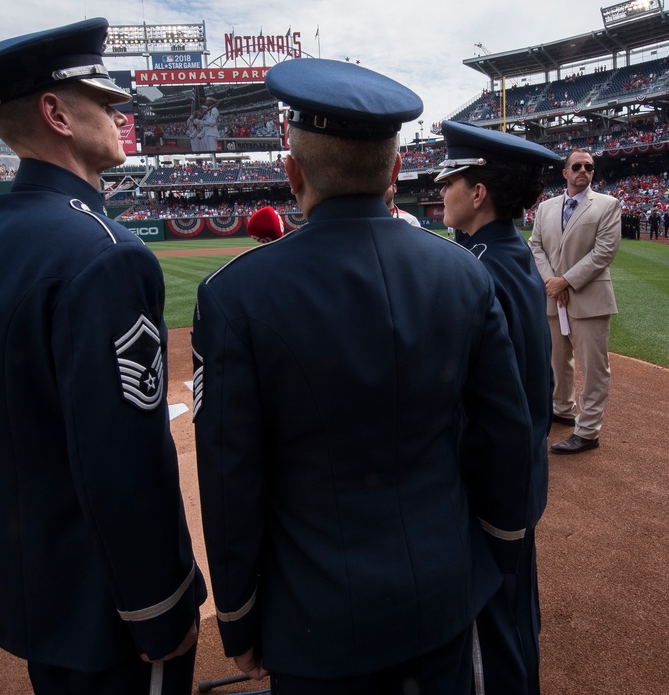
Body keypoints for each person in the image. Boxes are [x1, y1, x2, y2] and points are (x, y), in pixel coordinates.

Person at [191, 58, 532, 694]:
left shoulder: (235, 294)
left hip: (317, 620)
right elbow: (506, 436)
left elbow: (229, 475)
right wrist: (496, 555)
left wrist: (237, 618)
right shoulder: (465, 274)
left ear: (292, 173)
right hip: (447, 593)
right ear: (396, 170)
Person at [0, 19, 207, 695]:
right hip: (108, 614)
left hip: (36, 594)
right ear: (56, 113)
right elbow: (124, 461)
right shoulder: (105, 252)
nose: (121, 115)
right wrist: (161, 605)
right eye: (105, 102)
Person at [435, 119, 558, 695]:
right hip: (520, 473)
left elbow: (480, 406)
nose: (443, 191)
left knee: (492, 635)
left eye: (451, 180)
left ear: (477, 193)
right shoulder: (509, 254)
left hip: (491, 485)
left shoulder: (478, 269)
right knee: (514, 619)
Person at [529, 148, 621, 454]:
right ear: (565, 172)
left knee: (595, 368)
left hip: (589, 298)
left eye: (589, 167)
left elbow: (604, 252)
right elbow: (536, 246)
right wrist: (551, 283)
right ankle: (563, 409)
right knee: (558, 362)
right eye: (577, 166)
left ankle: (588, 431)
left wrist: (565, 281)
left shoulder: (607, 205)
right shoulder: (546, 208)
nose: (584, 170)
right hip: (554, 297)